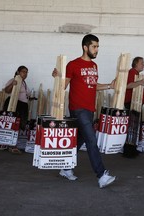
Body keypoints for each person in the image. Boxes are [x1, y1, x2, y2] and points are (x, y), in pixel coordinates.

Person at [52, 34, 116, 189]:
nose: (97, 49)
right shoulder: (73, 65)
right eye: (94, 46)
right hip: (78, 109)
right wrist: (58, 77)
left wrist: (109, 85)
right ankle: (101, 175)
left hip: (89, 109)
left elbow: (93, 85)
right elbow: (63, 86)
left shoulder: (94, 66)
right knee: (91, 140)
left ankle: (66, 167)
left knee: (80, 140)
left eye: (98, 46)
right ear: (85, 47)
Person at [3, 65, 30, 154]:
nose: (25, 74)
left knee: (19, 125)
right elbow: (6, 90)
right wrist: (12, 84)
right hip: (15, 105)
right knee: (13, 125)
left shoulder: (24, 82)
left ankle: (13, 144)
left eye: (26, 72)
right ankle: (11, 146)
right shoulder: (14, 80)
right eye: (23, 71)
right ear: (18, 72)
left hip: (23, 106)